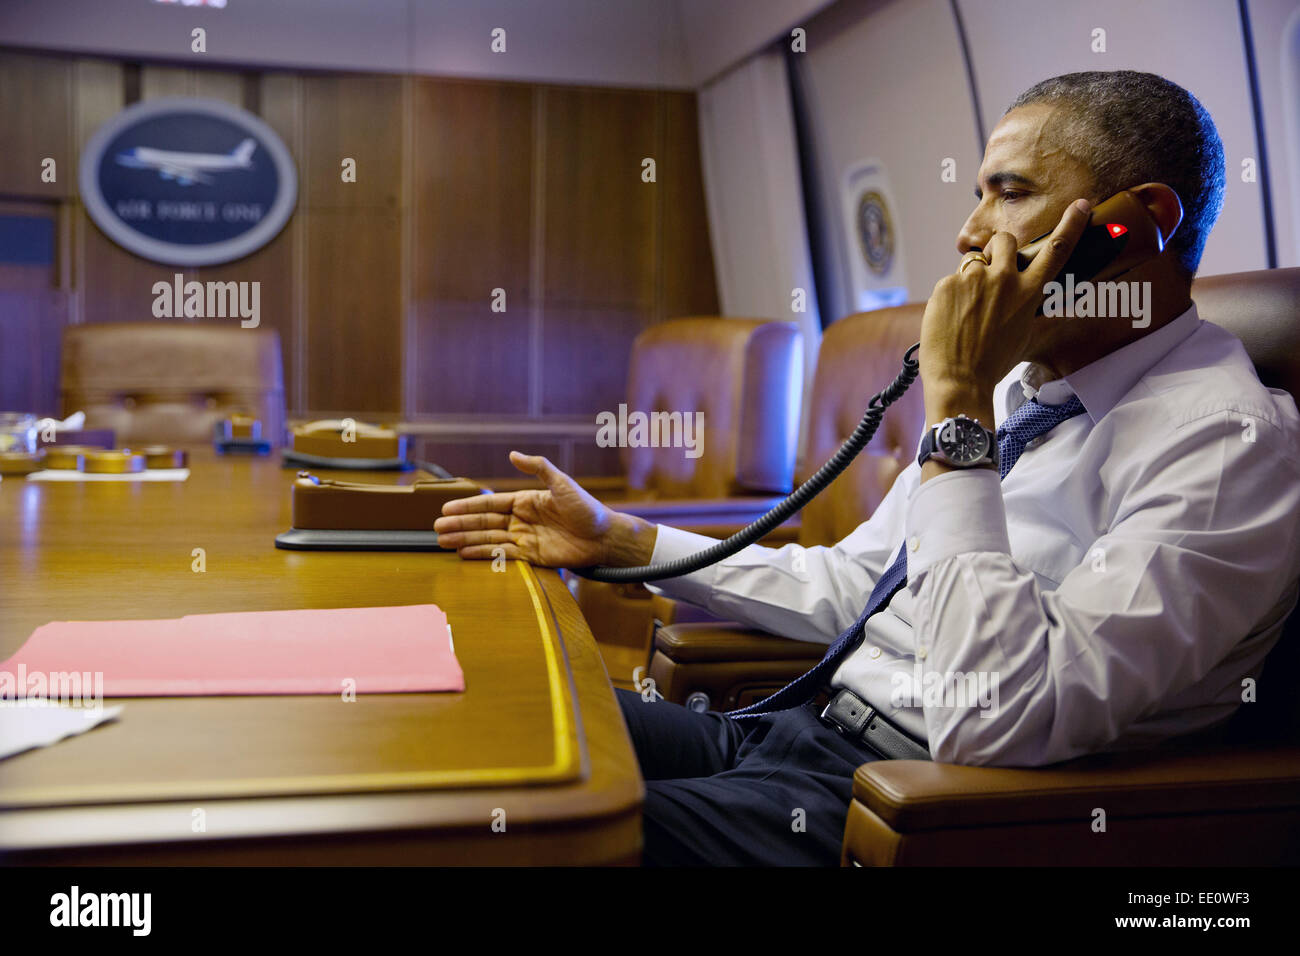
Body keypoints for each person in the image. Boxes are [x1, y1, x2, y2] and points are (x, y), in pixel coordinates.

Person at [434, 71, 1300, 866]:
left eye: (1012, 194)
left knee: (505, 841)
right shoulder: (1028, 389)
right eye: (978, 196)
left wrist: (957, 405)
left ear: (1135, 225)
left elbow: (996, 712)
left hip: (904, 800)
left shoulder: (1225, 444)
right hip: (789, 730)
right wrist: (622, 540)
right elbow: (860, 585)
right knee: (479, 726)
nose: (968, 233)